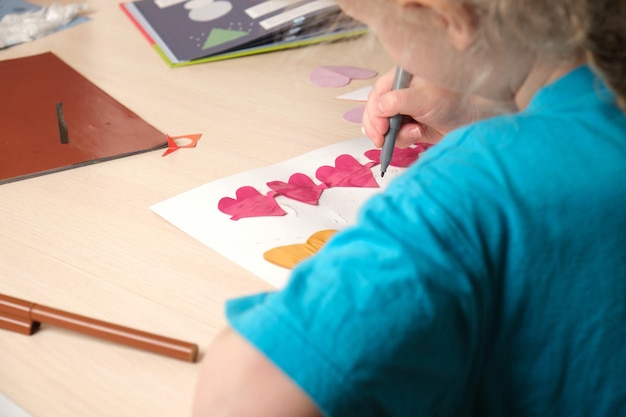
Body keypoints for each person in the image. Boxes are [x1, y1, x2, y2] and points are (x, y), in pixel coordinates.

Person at [193, 0, 626, 416]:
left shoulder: (470, 189)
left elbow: (239, 397)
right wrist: (500, 108)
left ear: (441, 16)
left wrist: (476, 160)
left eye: (374, 25)